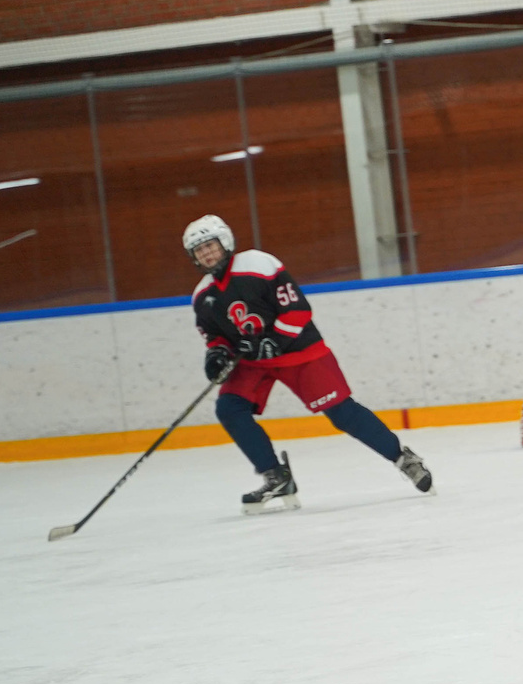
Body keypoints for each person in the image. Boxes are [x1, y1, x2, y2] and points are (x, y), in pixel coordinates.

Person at [185, 215, 432, 513]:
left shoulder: (259, 264)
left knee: (341, 412)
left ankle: (403, 458)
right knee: (229, 408)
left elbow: (297, 310)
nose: (207, 254)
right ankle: (275, 477)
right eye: (199, 251)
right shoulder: (202, 295)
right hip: (254, 361)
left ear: (225, 242)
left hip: (298, 351)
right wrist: (217, 354)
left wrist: (274, 340)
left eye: (210, 245)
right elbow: (215, 336)